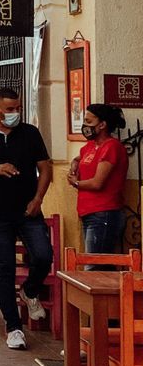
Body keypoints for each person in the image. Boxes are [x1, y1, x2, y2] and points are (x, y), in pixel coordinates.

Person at [0, 88, 53, 351]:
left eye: (18, 108)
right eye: (9, 109)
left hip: (28, 211)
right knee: (6, 268)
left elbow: (46, 168)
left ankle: (29, 291)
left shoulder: (30, 134)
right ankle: (14, 327)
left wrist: (38, 199)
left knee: (43, 255)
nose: (15, 113)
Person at [67, 104, 128, 254]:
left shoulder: (111, 147)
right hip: (88, 212)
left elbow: (97, 183)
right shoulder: (90, 146)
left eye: (89, 121)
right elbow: (78, 158)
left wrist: (75, 182)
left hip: (104, 212)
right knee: (97, 265)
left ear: (102, 125)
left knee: (94, 266)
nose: (85, 126)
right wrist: (74, 164)